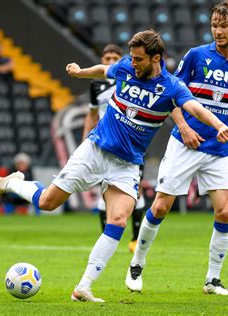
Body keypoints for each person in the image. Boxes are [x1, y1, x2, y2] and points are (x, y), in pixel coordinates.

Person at [0, 30, 228, 303]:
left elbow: (196, 108)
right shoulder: (127, 67)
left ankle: (83, 287)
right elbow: (104, 69)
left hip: (126, 164)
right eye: (133, 58)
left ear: (156, 58)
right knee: (46, 202)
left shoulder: (172, 87)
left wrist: (218, 124)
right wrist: (80, 73)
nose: (133, 63)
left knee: (118, 219)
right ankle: (13, 182)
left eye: (139, 59)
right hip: (95, 151)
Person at [125, 1, 228, 296]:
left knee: (224, 212)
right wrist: (183, 126)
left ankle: (212, 280)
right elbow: (169, 93)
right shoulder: (196, 56)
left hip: (220, 151)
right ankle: (137, 264)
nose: (218, 31)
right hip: (186, 144)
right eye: (214, 25)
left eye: (224, 25)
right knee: (160, 206)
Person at [83, 43, 145, 252]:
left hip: (129, 144)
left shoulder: (130, 81)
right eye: (106, 58)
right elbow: (92, 115)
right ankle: (106, 239)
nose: (110, 62)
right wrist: (85, 140)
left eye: (114, 58)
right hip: (103, 144)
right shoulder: (95, 86)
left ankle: (136, 239)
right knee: (104, 190)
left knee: (136, 192)